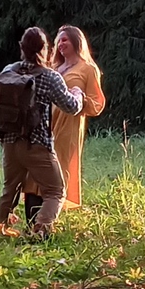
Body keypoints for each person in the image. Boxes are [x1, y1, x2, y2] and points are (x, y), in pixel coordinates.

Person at [0, 27, 82, 236]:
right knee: (56, 191)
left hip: (9, 141)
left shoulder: (8, 72)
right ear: (45, 49)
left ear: (21, 48)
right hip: (36, 144)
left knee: (10, 190)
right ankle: (40, 230)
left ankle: (0, 232)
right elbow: (71, 106)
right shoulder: (50, 77)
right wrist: (78, 94)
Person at [49, 25, 106, 211]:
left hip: (69, 124)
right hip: (46, 122)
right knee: (42, 162)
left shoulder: (88, 69)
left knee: (60, 163)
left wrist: (80, 97)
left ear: (76, 41)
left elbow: (97, 103)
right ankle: (40, 209)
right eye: (58, 41)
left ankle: (57, 210)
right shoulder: (54, 67)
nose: (60, 44)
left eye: (64, 39)